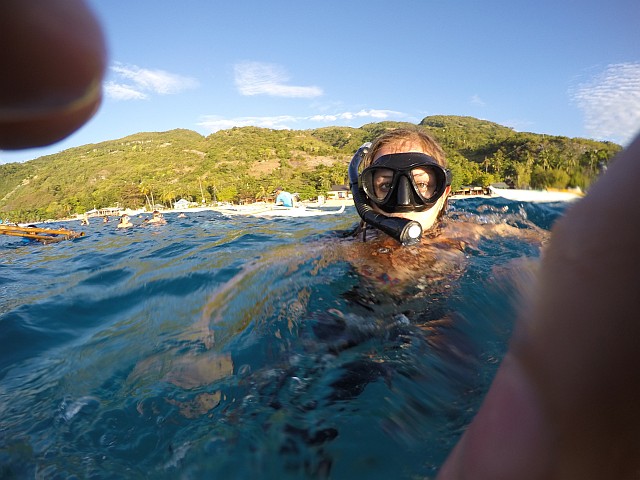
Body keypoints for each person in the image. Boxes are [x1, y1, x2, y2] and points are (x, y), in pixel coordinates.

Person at [2, 3, 639, 477]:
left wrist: (551, 266)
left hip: (444, 316)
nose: (406, 202)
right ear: (364, 190)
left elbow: (540, 242)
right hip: (351, 317)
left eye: (423, 183)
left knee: (459, 401)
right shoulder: (350, 243)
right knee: (292, 402)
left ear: (448, 190)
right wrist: (205, 331)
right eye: (388, 185)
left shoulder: (473, 230)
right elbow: (269, 267)